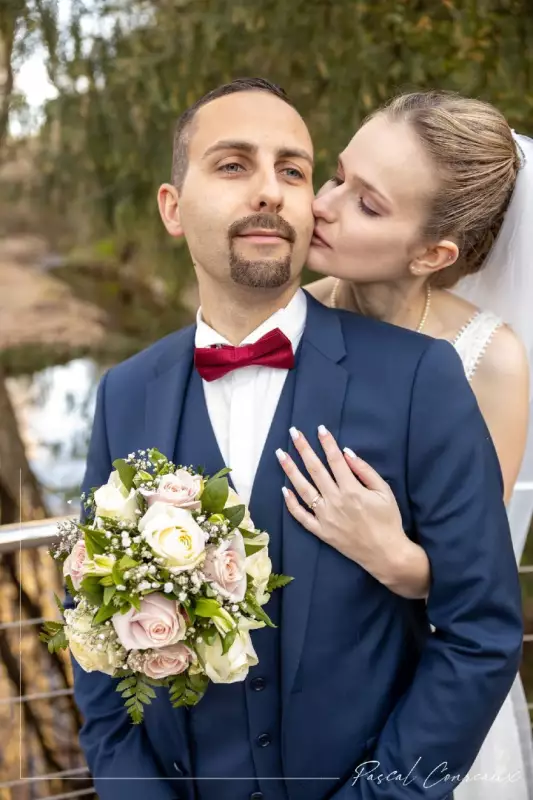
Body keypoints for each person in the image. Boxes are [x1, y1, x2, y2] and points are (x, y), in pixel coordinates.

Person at [71, 79, 523, 800]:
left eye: (291, 170)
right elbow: (92, 639)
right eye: (231, 165)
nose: (275, 193)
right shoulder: (123, 393)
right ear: (172, 207)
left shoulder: (426, 375)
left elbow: (478, 630)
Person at [279, 91, 533, 799]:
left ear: (433, 252)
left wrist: (390, 555)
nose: (322, 205)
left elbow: (475, 581)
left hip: (423, 702)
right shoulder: (284, 322)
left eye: (367, 203)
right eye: (336, 176)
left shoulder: (488, 361)